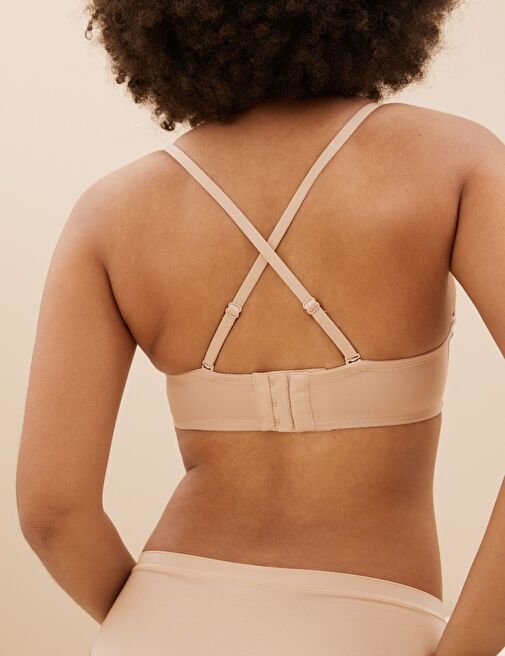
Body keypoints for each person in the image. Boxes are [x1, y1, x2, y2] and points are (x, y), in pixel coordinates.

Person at [16, 2, 504, 655]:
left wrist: (155, 626)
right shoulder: (453, 162)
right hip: (369, 627)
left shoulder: (109, 213)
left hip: (159, 623)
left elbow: (51, 513)